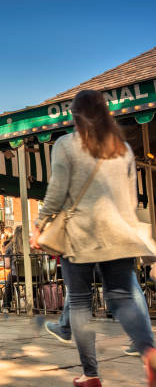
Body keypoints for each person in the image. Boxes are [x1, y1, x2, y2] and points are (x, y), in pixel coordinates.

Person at [30, 90, 156, 387]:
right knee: (123, 296)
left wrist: (39, 225)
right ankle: (149, 352)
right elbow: (130, 198)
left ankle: (91, 374)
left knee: (81, 302)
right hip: (120, 233)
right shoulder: (123, 149)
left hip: (81, 236)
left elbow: (57, 192)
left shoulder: (66, 145)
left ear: (75, 115)